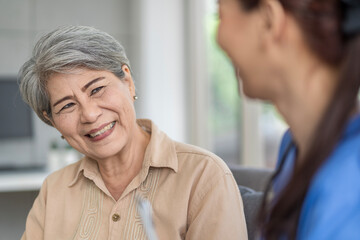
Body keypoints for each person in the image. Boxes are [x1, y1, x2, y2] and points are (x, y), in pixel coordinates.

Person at [19, 25, 247, 240]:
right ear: (51, 121)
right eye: (67, 106)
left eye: (97, 89)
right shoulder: (54, 189)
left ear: (127, 81)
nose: (89, 114)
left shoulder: (203, 176)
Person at [217, 0, 360, 239]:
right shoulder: (294, 148)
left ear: (268, 20)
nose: (219, 38)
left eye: (219, 14)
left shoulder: (350, 186)